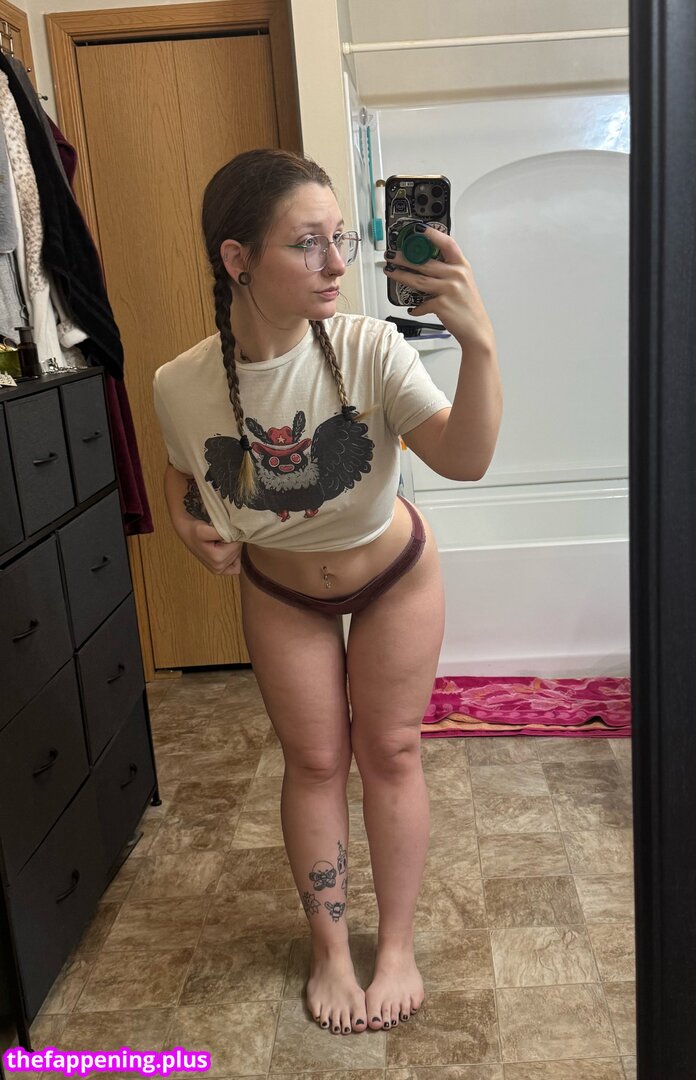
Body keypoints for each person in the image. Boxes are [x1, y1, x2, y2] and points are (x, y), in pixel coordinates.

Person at [152, 148, 502, 1037]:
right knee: (313, 764)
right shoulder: (180, 384)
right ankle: (332, 951)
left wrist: (479, 344)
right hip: (281, 593)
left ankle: (397, 949)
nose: (337, 263)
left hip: (394, 576)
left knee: (392, 751)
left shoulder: (370, 347)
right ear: (238, 259)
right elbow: (181, 472)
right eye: (307, 243)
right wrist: (189, 522)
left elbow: (464, 459)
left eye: (338, 238)